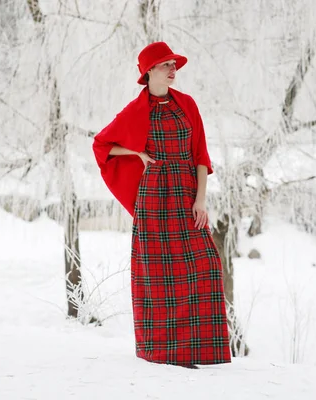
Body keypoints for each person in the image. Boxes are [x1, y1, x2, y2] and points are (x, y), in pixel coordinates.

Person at [92, 42, 231, 369]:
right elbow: (102, 146)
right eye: (165, 65)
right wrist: (136, 153)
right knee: (157, 275)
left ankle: (199, 349)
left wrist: (200, 200)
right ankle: (162, 353)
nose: (173, 69)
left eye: (173, 64)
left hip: (186, 192)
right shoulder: (135, 110)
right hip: (153, 196)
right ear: (149, 71)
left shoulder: (187, 105)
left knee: (205, 265)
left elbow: (200, 156)